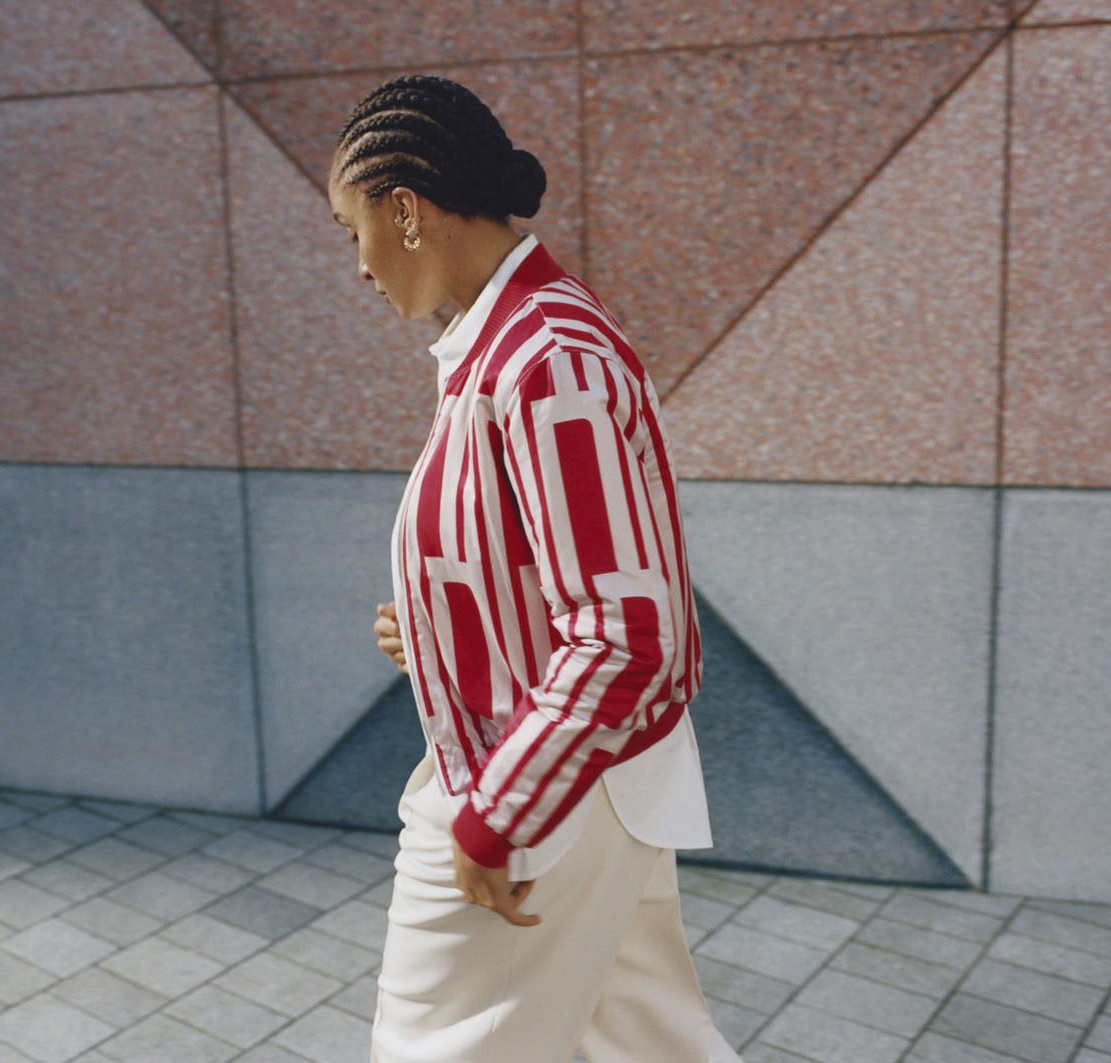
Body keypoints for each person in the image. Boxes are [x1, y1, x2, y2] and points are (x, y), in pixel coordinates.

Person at [327, 74, 744, 1063]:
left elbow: (625, 630)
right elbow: (542, 569)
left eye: (352, 231)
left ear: (406, 210)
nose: (356, 265)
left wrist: (493, 820)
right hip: (578, 778)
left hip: (539, 785)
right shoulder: (506, 349)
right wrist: (428, 625)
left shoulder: (546, 360)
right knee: (650, 1045)